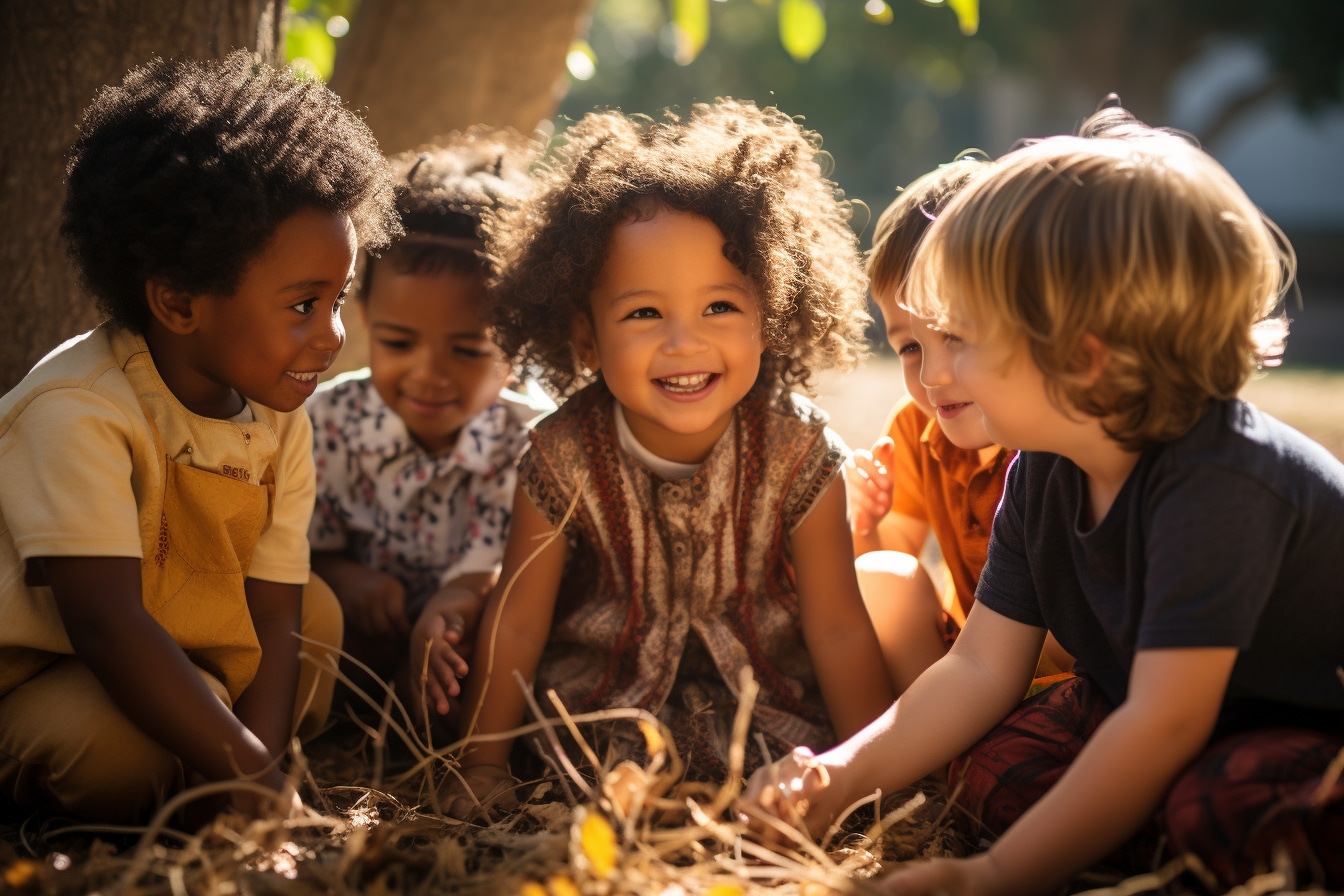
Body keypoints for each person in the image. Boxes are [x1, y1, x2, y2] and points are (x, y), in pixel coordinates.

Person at [740, 105, 1344, 892]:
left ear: (1080, 359)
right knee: (983, 770)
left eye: (966, 336)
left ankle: (1155, 833)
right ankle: (1138, 833)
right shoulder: (1045, 469)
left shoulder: (1220, 483)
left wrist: (991, 876)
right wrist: (838, 777)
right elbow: (979, 669)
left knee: (1217, 808)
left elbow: (1169, 719)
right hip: (1153, 716)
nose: (937, 374)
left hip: (1294, 728)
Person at [444, 100, 896, 816]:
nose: (684, 343)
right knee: (594, 786)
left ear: (771, 313)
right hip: (602, 719)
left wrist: (873, 776)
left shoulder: (799, 451)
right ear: (586, 339)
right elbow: (520, 619)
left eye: (719, 307)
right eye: (645, 313)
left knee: (761, 786)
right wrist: (481, 764)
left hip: (768, 718)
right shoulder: (562, 456)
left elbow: (837, 626)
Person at [0, 52, 398, 823]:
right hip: (52, 669)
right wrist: (248, 774)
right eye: (302, 306)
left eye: (339, 298)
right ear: (179, 303)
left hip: (183, 643)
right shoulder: (78, 411)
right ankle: (192, 765)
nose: (333, 336)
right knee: (118, 758)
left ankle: (206, 765)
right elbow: (106, 625)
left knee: (318, 618)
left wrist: (260, 771)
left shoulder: (278, 410)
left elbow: (278, 614)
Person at [307, 132, 553, 725]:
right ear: (364, 320)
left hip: (467, 627)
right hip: (356, 636)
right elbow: (306, 550)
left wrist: (449, 615)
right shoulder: (328, 422)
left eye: (467, 350)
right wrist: (350, 581)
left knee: (475, 661)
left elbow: (490, 574)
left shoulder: (531, 442)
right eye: (397, 343)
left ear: (517, 347)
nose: (427, 375)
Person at [847, 158, 1072, 694]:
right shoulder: (916, 430)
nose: (932, 374)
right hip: (964, 665)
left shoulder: (1055, 442)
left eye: (955, 334)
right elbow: (894, 564)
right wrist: (865, 524)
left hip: (1069, 675)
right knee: (881, 577)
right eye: (908, 347)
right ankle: (942, 762)